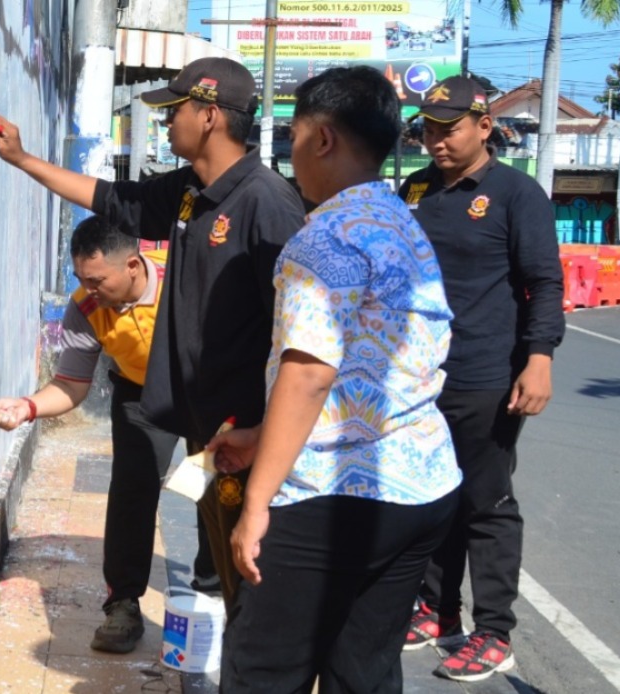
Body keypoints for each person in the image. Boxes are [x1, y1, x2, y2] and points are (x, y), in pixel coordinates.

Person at [0, 57, 306, 618]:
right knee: (155, 506)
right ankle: (134, 607)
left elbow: (297, 337)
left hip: (242, 426)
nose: (165, 122)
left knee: (249, 568)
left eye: (174, 110)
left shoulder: (266, 203)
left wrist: (263, 428)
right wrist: (20, 159)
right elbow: (108, 198)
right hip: (187, 409)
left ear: (208, 115)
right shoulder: (188, 191)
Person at [210, 65, 462, 691]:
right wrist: (268, 433)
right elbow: (372, 367)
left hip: (330, 495)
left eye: (294, 135)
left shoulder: (323, 238)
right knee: (363, 671)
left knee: (264, 669)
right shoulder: (404, 225)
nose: (291, 152)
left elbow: (310, 374)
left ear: (323, 139)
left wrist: (259, 503)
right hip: (421, 487)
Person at [398, 75, 565, 682]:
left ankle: (494, 632)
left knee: (485, 501)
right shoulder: (414, 188)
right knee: (433, 495)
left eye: (449, 128)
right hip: (418, 374)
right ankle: (439, 613)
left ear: (484, 126)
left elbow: (544, 281)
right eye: (428, 128)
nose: (435, 139)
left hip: (486, 372)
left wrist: (539, 357)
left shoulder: (516, 194)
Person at [0, 216, 178, 654]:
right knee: (132, 489)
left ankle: (220, 599)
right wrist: (27, 406)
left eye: (97, 281)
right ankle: (123, 605)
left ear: (132, 265)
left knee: (218, 494)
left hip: (208, 388)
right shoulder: (87, 307)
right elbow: (71, 385)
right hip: (139, 391)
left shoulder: (183, 276)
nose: (89, 291)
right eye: (80, 279)